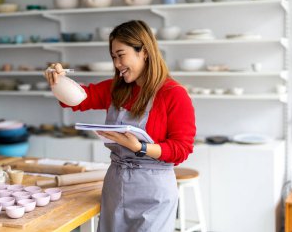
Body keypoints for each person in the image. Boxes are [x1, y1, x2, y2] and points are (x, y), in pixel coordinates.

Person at [45, 20, 196, 232]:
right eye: (113, 57)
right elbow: (81, 99)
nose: (117, 64)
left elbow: (182, 148)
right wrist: (59, 82)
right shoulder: (117, 89)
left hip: (153, 192)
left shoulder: (173, 94)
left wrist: (140, 147)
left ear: (143, 51)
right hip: (116, 187)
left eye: (121, 55)